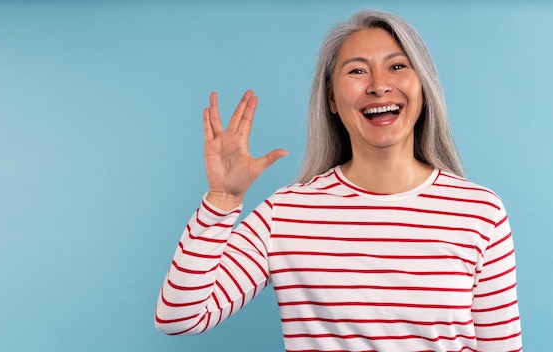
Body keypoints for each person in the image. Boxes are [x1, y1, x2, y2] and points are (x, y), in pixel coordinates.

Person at [155, 9, 522, 352]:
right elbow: (180, 317)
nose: (379, 86)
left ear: (423, 88)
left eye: (397, 66)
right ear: (331, 98)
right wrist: (221, 200)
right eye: (357, 71)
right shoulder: (286, 214)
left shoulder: (480, 212)